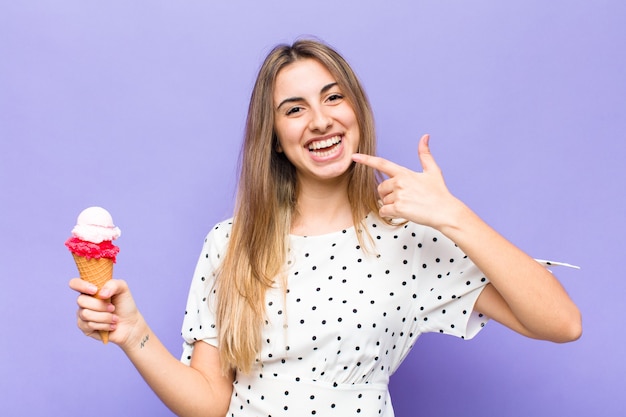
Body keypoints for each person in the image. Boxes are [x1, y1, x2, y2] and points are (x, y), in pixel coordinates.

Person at [69, 39, 582, 417]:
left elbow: (561, 323)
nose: (319, 121)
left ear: (355, 108)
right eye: (295, 110)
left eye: (333, 98)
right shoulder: (231, 244)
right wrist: (133, 333)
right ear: (274, 138)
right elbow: (209, 402)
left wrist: (453, 215)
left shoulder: (410, 239)